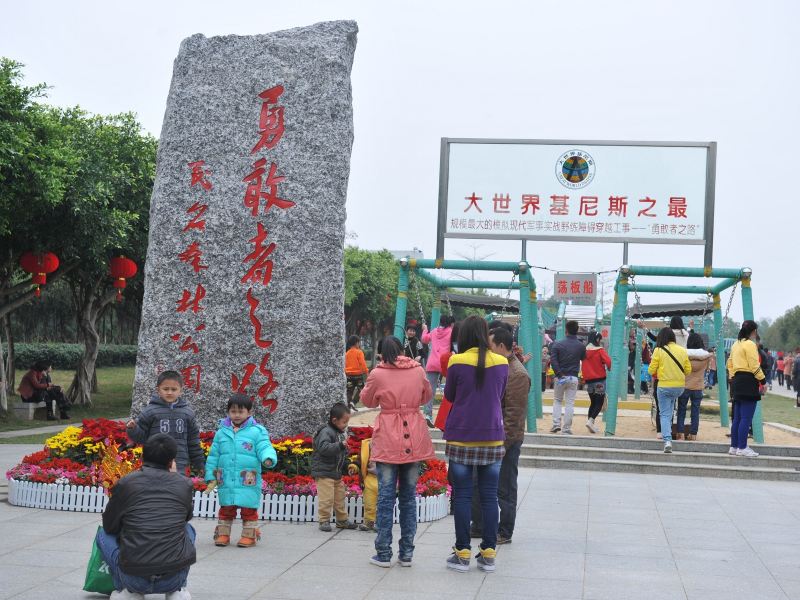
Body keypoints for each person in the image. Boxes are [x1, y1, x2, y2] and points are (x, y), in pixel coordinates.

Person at [360, 336, 435, 567]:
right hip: (413, 434)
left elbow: (368, 400)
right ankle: (407, 554)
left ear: (382, 353)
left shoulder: (378, 373)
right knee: (409, 498)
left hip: (388, 438)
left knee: (385, 497)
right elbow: (427, 396)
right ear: (403, 350)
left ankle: (383, 553)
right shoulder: (418, 370)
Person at [442, 316, 508, 573]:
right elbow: (500, 395)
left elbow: (449, 396)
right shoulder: (501, 362)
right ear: (485, 334)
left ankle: (462, 552)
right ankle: (489, 553)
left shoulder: (456, 361)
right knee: (490, 496)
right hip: (492, 436)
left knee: (463, 496)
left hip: (461, 436)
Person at [95, 434, 195, 600]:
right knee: (187, 529)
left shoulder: (126, 483)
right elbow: (186, 517)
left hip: (134, 578)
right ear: (171, 461)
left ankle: (127, 591)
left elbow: (110, 526)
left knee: (103, 535)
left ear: (142, 457)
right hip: (173, 578)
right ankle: (177, 591)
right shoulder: (184, 484)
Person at [468, 326, 530, 545]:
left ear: (501, 347)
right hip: (489, 437)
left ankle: (504, 530)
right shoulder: (498, 367)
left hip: (506, 442)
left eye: (490, 346)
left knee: (505, 488)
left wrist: (502, 445)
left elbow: (513, 417)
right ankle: (480, 525)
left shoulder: (518, 374)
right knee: (477, 482)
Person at [204, 394, 278, 548]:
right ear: (228, 412)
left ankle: (249, 535)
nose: (236, 415)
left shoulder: (257, 431)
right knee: (226, 507)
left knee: (248, 508)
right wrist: (211, 475)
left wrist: (268, 458)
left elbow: (264, 446)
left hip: (247, 477)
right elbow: (213, 456)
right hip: (226, 477)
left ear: (249, 412)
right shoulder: (221, 433)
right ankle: (223, 534)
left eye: (240, 412)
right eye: (233, 411)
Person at [126, 371, 205, 475]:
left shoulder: (187, 413)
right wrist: (133, 429)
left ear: (181, 390)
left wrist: (199, 464)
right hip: (154, 463)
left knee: (176, 489)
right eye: (166, 389)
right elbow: (141, 438)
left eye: (174, 389)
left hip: (180, 464)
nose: (169, 392)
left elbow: (193, 442)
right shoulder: (150, 411)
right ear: (158, 390)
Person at [311, 403, 358, 532]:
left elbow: (341, 454)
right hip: (324, 473)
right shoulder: (326, 431)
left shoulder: (338, 433)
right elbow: (323, 448)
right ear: (334, 420)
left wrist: (347, 466)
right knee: (327, 499)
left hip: (336, 474)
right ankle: (324, 520)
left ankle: (342, 520)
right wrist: (340, 446)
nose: (346, 425)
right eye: (344, 422)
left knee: (339, 498)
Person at [726, 321, 766, 457]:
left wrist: (733, 376)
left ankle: (734, 446)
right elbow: (754, 365)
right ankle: (742, 447)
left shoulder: (736, 344)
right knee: (746, 418)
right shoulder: (750, 344)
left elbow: (729, 363)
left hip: (737, 381)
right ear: (753, 331)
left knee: (737, 417)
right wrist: (763, 381)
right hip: (748, 382)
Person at [648, 327, 691, 453]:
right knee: (670, 411)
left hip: (664, 386)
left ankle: (667, 440)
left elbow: (651, 370)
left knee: (664, 414)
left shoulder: (658, 350)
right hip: (679, 387)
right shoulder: (682, 351)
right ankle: (669, 434)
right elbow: (687, 370)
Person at [549, 320, 586, 435]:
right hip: (573, 377)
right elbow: (583, 358)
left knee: (558, 401)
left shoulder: (557, 344)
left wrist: (559, 374)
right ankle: (566, 429)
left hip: (560, 377)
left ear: (566, 330)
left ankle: (556, 424)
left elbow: (553, 361)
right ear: (577, 330)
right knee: (570, 403)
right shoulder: (581, 345)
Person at [421, 315, 455, 426]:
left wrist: (425, 329)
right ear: (450, 323)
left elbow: (424, 339)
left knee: (430, 390)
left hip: (432, 362)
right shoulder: (451, 332)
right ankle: (448, 415)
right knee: (452, 389)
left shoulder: (434, 331)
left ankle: (428, 414)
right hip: (446, 362)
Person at [675, 333, 710, 440]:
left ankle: (680, 433)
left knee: (681, 410)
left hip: (685, 385)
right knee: (695, 411)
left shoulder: (683, 354)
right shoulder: (706, 356)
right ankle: (693, 434)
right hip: (698, 386)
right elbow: (707, 369)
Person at [582, 331, 611, 434]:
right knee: (599, 403)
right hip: (599, 381)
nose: (600, 341)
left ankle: (591, 425)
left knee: (593, 402)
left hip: (589, 381)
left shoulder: (584, 351)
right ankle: (591, 421)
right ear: (597, 339)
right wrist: (609, 367)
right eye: (599, 339)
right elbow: (608, 361)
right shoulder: (600, 350)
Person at [353, 437, 378, 532]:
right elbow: (360, 460)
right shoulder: (368, 444)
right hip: (370, 477)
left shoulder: (392, 443)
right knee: (369, 502)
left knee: (384, 504)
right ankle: (369, 522)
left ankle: (381, 523)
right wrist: (354, 467)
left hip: (385, 479)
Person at [345, 335, 369, 412]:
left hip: (348, 375)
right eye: (359, 343)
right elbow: (362, 363)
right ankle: (354, 402)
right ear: (356, 343)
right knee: (361, 389)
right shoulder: (359, 352)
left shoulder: (347, 353)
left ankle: (349, 403)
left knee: (349, 390)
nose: (359, 345)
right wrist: (366, 372)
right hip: (358, 375)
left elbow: (345, 364)